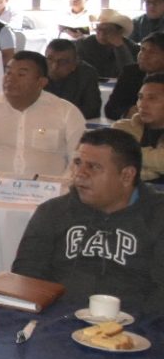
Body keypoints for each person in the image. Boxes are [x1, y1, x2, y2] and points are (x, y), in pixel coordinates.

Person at [12, 128, 164, 313]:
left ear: (126, 175)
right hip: (57, 319)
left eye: (93, 167)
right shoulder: (52, 211)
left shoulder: (157, 216)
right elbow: (27, 277)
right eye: (78, 163)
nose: (80, 173)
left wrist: (132, 325)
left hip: (135, 323)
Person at [0, 51, 86, 178]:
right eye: (8, 72)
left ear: (41, 82)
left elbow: (80, 157)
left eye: (21, 75)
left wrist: (63, 186)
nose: (10, 79)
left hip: (50, 192)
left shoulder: (66, 112)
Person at [113, 74, 164, 183]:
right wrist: (158, 170)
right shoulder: (122, 128)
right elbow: (114, 168)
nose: (142, 105)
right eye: (140, 98)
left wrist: (128, 153)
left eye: (152, 98)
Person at [106, 31, 164, 120]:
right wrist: (127, 113)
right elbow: (111, 109)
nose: (143, 55)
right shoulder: (131, 72)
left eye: (152, 52)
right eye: (142, 49)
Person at [43, 38, 102, 119]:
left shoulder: (86, 74)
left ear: (74, 64)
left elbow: (92, 110)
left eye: (62, 62)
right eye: (50, 59)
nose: (54, 66)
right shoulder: (37, 71)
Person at [76, 9, 136, 79]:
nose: (102, 34)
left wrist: (120, 47)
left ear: (119, 32)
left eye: (108, 30)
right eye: (99, 29)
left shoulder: (129, 46)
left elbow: (130, 73)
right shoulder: (85, 44)